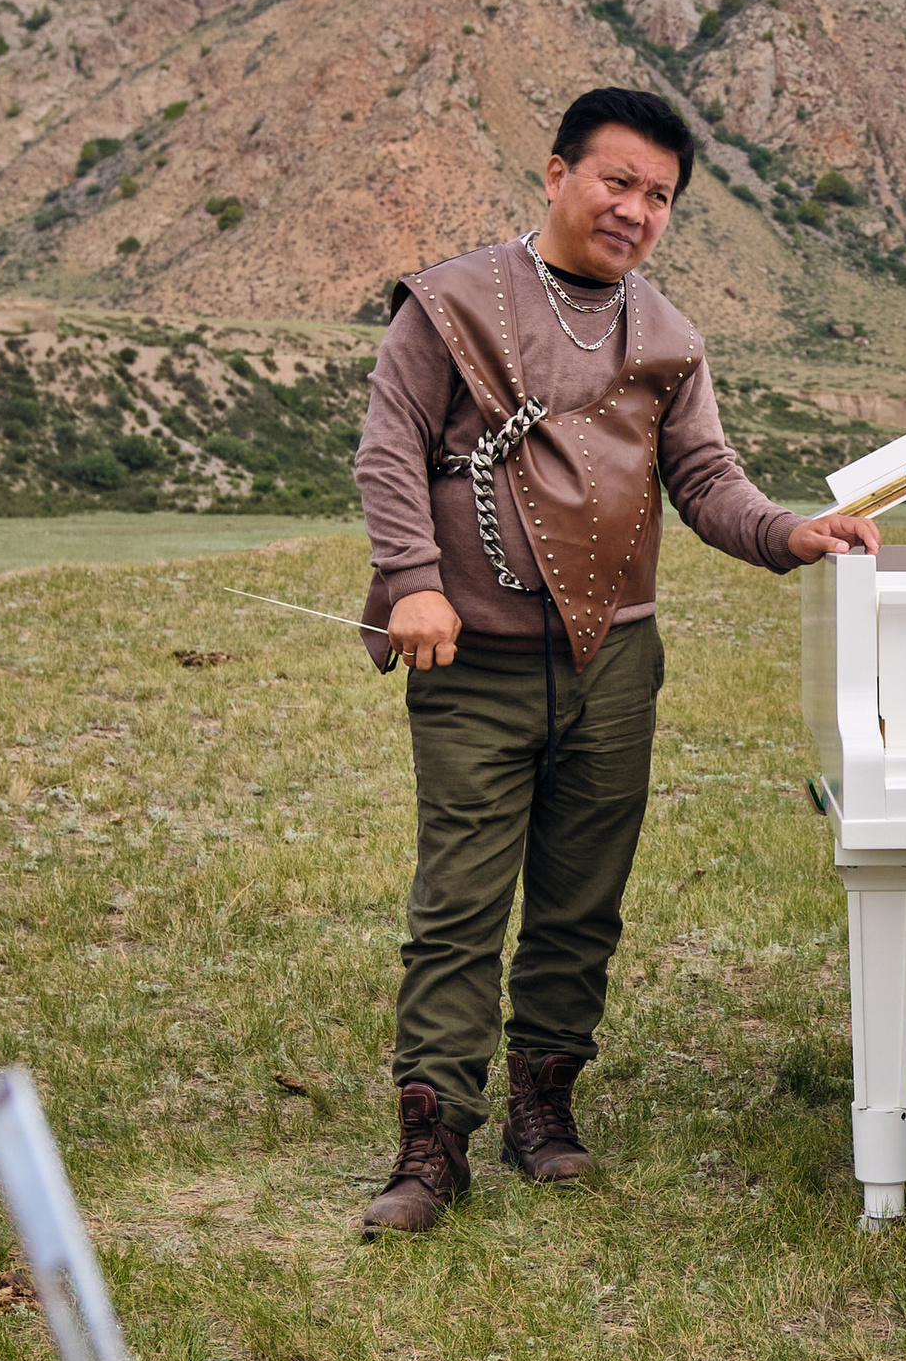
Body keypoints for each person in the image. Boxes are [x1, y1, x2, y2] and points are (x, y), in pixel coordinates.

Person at [354, 85, 879, 1232]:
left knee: (582, 902)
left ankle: (543, 1107)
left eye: (661, 195)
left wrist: (790, 533)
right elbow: (389, 450)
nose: (636, 209)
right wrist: (414, 581)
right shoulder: (447, 305)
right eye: (618, 180)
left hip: (615, 664)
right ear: (557, 174)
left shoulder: (671, 337)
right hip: (472, 660)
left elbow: (705, 478)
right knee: (458, 904)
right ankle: (432, 1140)